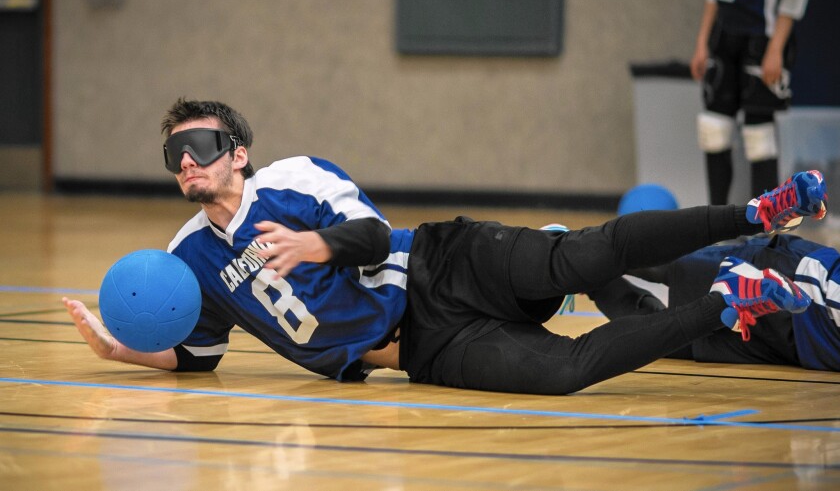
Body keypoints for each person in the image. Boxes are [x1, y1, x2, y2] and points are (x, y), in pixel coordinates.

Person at [63, 99, 828, 395]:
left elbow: (365, 231)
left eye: (198, 145)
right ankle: (731, 302)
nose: (186, 162)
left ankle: (754, 212)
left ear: (237, 150)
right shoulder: (187, 255)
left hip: (440, 261)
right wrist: (121, 350)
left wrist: (315, 245)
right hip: (419, 349)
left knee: (582, 259)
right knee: (566, 371)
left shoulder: (292, 179)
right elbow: (200, 357)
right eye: (174, 155)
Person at [589, 233, 840, 372]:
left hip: (805, 348)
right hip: (794, 278)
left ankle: (586, 278)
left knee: (666, 339)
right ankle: (572, 251)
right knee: (672, 267)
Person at [691, 0, 809, 204]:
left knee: (759, 136)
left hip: (761, 37)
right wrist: (702, 42)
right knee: (713, 129)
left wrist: (776, 48)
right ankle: (715, 223)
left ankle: (763, 229)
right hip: (724, 36)